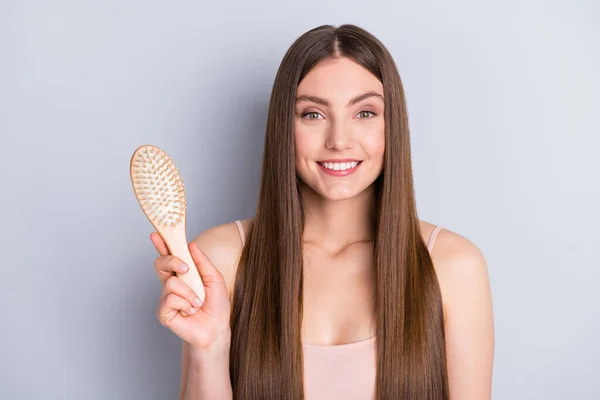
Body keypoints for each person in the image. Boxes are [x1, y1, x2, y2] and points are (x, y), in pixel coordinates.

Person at [150, 24, 494, 400]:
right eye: (313, 115)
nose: (339, 141)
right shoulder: (222, 259)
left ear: (391, 124)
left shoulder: (453, 265)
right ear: (285, 125)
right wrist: (209, 349)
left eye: (365, 112)